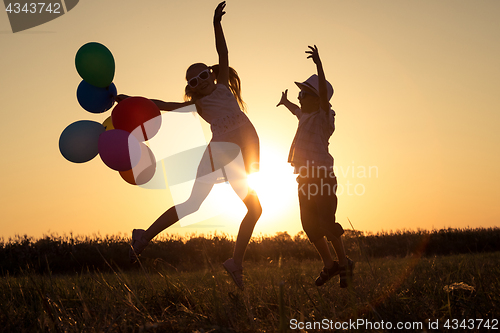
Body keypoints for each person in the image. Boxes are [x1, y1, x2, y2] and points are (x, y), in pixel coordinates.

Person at [117, 1, 261, 290]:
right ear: (192, 88)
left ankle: (145, 237)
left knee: (219, 207)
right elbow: (162, 106)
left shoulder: (222, 87)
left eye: (203, 75)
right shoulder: (198, 104)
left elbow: (223, 52)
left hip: (233, 148)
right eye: (194, 81)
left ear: (212, 74)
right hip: (224, 151)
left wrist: (216, 25)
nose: (200, 81)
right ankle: (148, 238)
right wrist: (131, 100)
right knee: (243, 207)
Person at [276, 45, 353, 288]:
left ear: (318, 99)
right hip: (303, 179)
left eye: (303, 95)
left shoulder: (323, 117)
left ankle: (344, 263)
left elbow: (321, 95)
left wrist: (319, 66)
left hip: (321, 176)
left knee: (327, 224)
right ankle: (329, 265)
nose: (300, 98)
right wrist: (287, 102)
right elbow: (297, 112)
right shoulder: (306, 116)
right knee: (309, 226)